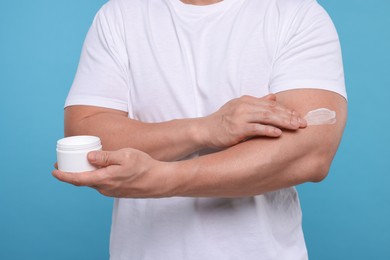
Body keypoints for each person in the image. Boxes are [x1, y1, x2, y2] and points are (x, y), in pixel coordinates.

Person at [53, 0, 347, 259]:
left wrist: (163, 178)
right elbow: (85, 136)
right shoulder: (119, 15)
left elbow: (310, 153)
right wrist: (204, 129)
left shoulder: (296, 14)